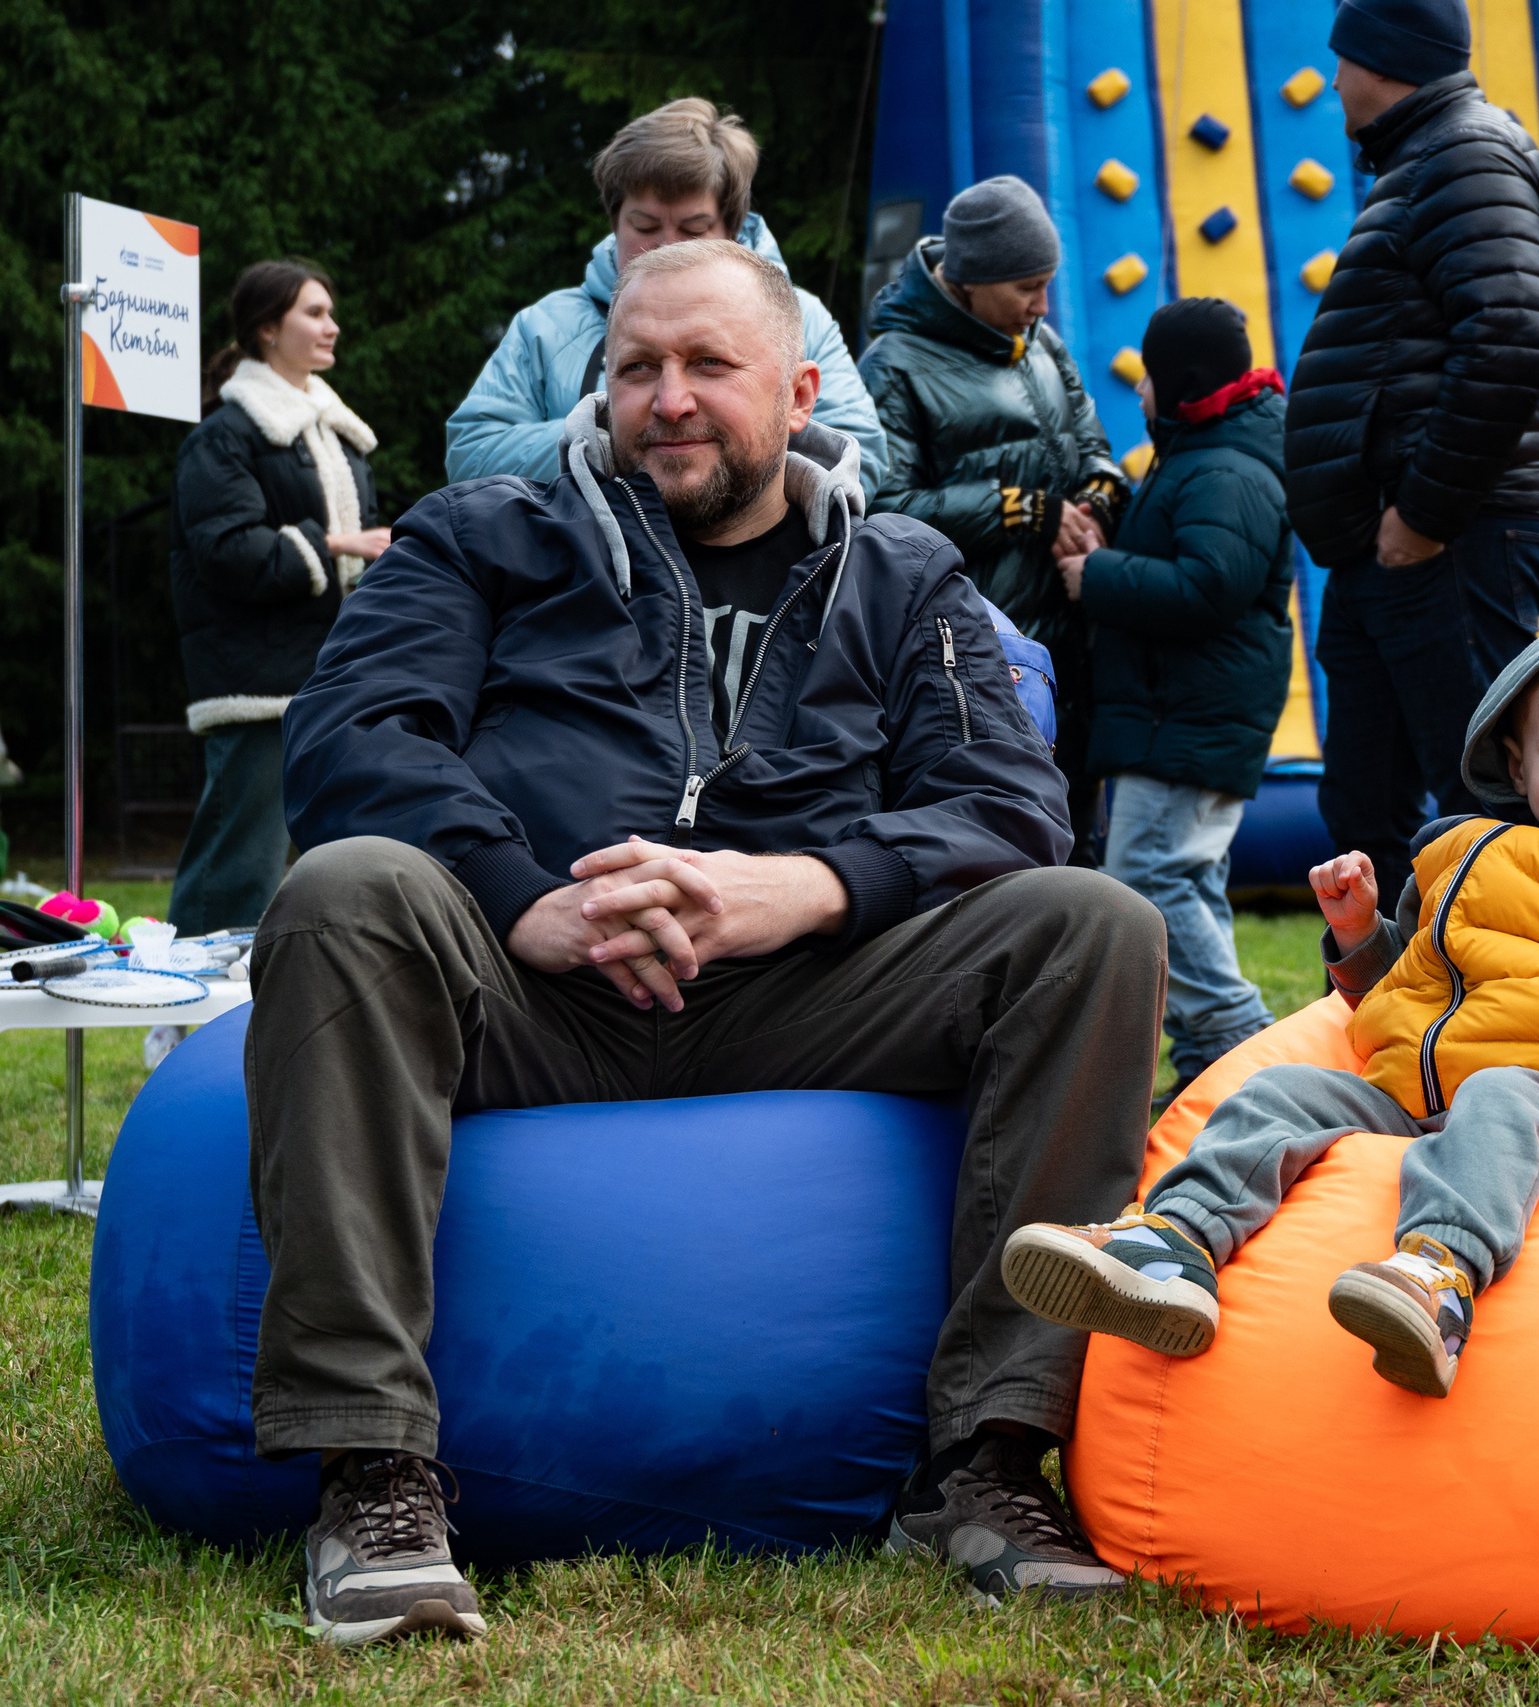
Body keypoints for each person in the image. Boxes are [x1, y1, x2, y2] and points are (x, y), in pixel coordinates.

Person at [256, 239, 1164, 1643]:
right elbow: (350, 737)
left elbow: (1010, 803)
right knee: (349, 885)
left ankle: (987, 1461)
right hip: (531, 989)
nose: (667, 399)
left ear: (799, 391)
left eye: (708, 366)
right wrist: (521, 895)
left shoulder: (903, 571)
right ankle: (373, 1468)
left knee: (1091, 923)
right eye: (635, 368)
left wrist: (798, 886)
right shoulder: (483, 531)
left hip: (804, 992)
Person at [1002, 607, 1539, 1398]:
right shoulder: (1459, 855)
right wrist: (1357, 932)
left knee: (1497, 1093)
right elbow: (1407, 993)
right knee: (1284, 1089)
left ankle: (1438, 1277)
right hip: (1418, 1090)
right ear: (1517, 765)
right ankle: (1176, 1243)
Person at [1282, 0, 1539, 909]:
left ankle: (1515, 1020)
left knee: (1482, 802)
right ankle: (1392, 1024)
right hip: (1397, 547)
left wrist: (1423, 514)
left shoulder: (1465, 154)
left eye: (1345, 58)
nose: (1333, 81)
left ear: (1388, 57)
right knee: (1366, 808)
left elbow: (1516, 336)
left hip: (1454, 539)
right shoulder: (1428, 158)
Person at [1057, 297, 1292, 1099]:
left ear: (1179, 380)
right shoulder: (1207, 449)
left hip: (1188, 719)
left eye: (1152, 377)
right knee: (1184, 885)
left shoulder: (1225, 466)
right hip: (1181, 716)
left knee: (1151, 883)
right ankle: (1210, 1077)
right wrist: (1111, 551)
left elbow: (1212, 583)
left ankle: (1245, 1047)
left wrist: (1097, 577)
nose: (1143, 394)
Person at [858, 175, 1125, 851]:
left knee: (1080, 848)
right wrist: (1021, 510)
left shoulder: (1043, 344)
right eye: (1026, 287)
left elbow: (1095, 443)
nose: (1041, 305)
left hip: (1074, 650)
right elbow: (883, 511)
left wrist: (1095, 500)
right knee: (1001, 851)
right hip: (975, 659)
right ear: (971, 279)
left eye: (1047, 284)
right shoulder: (893, 364)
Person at [444, 96, 887, 492]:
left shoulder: (800, 316)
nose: (667, 246)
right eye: (645, 226)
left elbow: (858, 455)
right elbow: (469, 457)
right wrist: (616, 434)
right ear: (615, 220)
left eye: (695, 230)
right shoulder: (546, 325)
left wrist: (709, 469)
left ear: (733, 230)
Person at [164, 260, 387, 992]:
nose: (333, 326)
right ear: (267, 328)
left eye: (331, 311)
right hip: (254, 682)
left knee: (339, 855)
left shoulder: (336, 432)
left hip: (328, 679)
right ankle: (184, 1014)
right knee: (240, 861)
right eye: (314, 313)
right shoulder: (222, 438)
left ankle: (307, 1005)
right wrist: (334, 544)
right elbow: (228, 550)